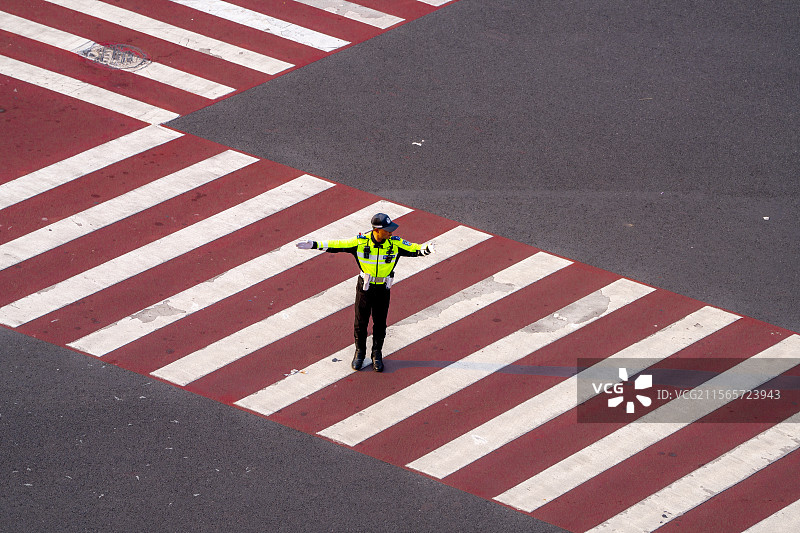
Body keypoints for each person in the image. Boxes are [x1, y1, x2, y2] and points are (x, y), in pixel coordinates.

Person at [296, 213, 435, 372]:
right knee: (360, 322)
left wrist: (427, 249)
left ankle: (377, 354)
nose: (391, 233)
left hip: (383, 289)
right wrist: (314, 244)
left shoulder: (395, 244)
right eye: (387, 230)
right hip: (365, 288)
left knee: (380, 323)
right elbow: (338, 244)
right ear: (376, 230)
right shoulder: (360, 242)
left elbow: (415, 249)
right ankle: (360, 353)